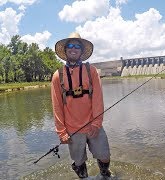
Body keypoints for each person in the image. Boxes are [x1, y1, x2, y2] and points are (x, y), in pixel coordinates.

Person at [51, 32, 111, 179]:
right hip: (72, 128)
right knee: (78, 162)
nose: (73, 48)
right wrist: (61, 131)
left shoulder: (91, 71)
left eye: (77, 46)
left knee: (104, 156)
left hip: (93, 124)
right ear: (65, 50)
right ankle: (83, 176)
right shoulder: (58, 76)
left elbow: (98, 99)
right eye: (70, 45)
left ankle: (105, 174)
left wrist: (96, 124)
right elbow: (57, 106)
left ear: (82, 51)